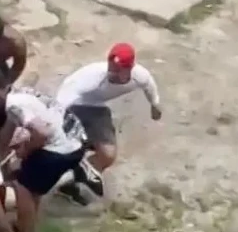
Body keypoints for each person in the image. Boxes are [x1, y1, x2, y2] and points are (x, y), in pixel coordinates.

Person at [0, 65, 86, 232]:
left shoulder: (14, 105)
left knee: (23, 187)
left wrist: (23, 154)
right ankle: (24, 225)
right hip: (75, 141)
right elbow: (6, 133)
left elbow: (41, 134)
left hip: (60, 149)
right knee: (31, 186)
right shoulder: (18, 95)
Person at [53, 42, 162, 205]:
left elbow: (149, 85)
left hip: (97, 109)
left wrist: (155, 104)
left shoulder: (140, 76)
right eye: (111, 68)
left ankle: (71, 181)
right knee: (65, 147)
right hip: (74, 105)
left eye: (118, 70)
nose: (112, 73)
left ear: (129, 68)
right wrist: (56, 124)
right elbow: (62, 100)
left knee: (108, 154)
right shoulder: (92, 78)